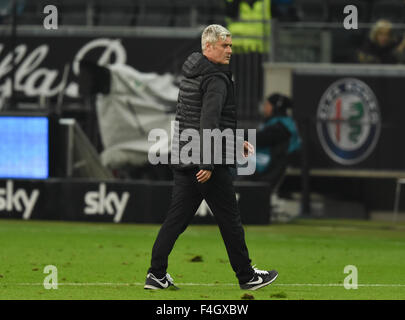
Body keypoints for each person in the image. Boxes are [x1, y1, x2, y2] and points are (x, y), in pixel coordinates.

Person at [144, 24, 278, 291]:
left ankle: (156, 274)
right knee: (230, 221)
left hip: (185, 155)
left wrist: (234, 142)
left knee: (176, 220)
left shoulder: (192, 73)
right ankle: (247, 276)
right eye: (224, 45)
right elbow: (208, 121)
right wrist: (207, 162)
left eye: (230, 45)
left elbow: (190, 119)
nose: (230, 50)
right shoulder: (216, 78)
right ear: (208, 47)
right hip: (207, 162)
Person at [252, 93, 301, 194]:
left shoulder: (280, 127)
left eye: (267, 105)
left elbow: (259, 139)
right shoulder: (281, 124)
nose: (264, 107)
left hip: (263, 169)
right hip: (262, 166)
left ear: (275, 108)